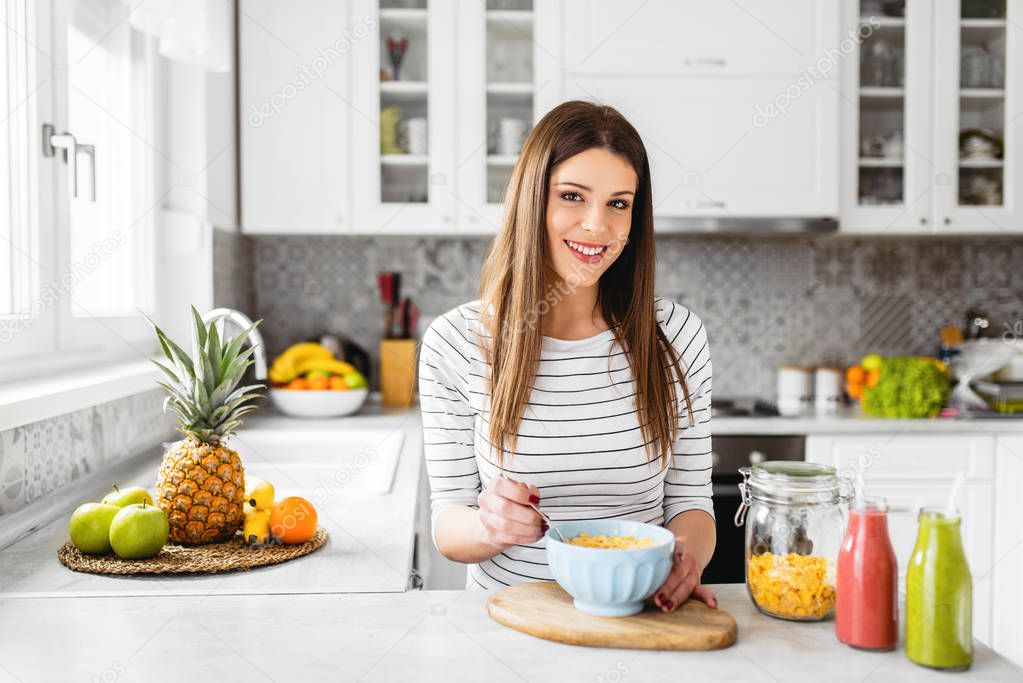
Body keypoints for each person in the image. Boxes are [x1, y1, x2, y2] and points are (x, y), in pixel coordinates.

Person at [418, 100, 716, 612]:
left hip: (636, 616)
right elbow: (450, 522)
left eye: (619, 203)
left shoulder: (677, 337)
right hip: (509, 624)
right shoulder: (455, 342)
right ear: (533, 200)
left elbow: (691, 502)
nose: (597, 225)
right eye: (573, 196)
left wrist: (685, 555)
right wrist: (490, 526)